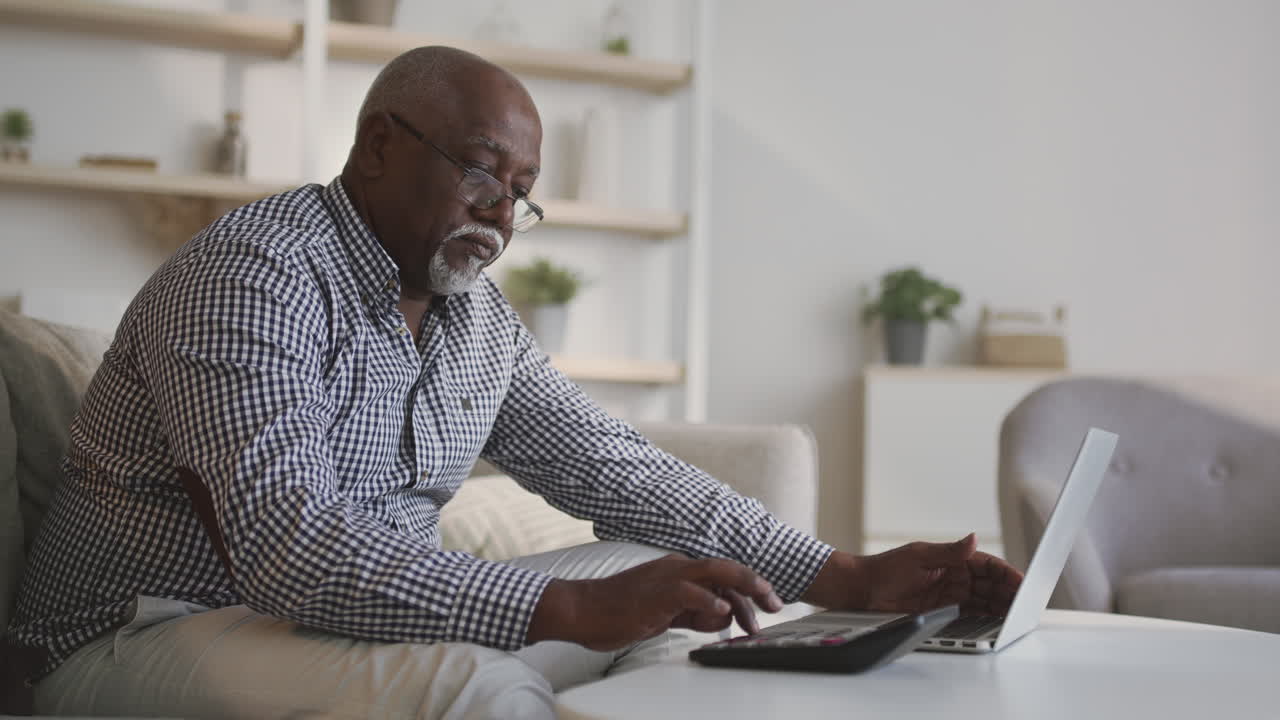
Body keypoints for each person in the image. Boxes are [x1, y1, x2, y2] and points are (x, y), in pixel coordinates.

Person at [5, 47, 1022, 719]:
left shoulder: (472, 318)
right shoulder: (253, 274)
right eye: (482, 170)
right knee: (479, 687)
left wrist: (841, 578)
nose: (498, 213)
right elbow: (290, 550)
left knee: (676, 593)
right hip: (137, 635)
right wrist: (574, 614)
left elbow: (608, 464)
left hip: (321, 626)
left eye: (522, 194)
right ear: (377, 146)